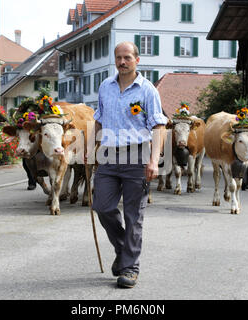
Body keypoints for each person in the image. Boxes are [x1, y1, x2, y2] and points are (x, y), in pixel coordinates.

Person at [91, 41, 167, 289]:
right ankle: (124, 251)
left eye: (127, 58)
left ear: (137, 60)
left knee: (134, 216)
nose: (122, 62)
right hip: (108, 157)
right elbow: (99, 120)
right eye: (118, 58)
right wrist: (92, 149)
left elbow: (159, 126)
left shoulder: (147, 91)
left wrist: (154, 160)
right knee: (102, 207)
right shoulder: (105, 86)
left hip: (137, 158)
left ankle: (130, 268)